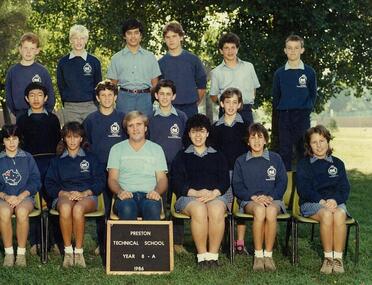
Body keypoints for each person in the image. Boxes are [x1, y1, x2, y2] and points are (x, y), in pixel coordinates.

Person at [171, 114, 229, 268]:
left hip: (215, 195)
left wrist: (213, 193)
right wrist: (196, 193)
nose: (198, 135)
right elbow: (176, 182)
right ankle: (202, 256)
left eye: (202, 131)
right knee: (199, 209)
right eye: (194, 131)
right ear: (189, 134)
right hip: (189, 197)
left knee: (216, 210)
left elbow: (225, 181)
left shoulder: (218, 156)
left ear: (208, 133)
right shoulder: (181, 156)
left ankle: (213, 256)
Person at [45, 122, 105, 268]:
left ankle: (78, 252)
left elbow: (100, 180)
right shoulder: (57, 161)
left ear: (81, 139)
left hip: (87, 196)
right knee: (65, 208)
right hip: (64, 196)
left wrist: (84, 193)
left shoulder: (91, 158)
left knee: (78, 209)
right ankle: (68, 252)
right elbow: (49, 184)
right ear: (64, 139)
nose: (72, 141)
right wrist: (64, 193)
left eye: (76, 137)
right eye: (69, 137)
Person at [233, 123, 287, 272]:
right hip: (250, 201)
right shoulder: (241, 161)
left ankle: (268, 255)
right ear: (247, 141)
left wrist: (271, 197)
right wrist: (253, 197)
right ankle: (258, 255)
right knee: (259, 211)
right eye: (253, 137)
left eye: (260, 137)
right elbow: (237, 185)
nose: (256, 141)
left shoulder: (275, 158)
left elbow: (282, 182)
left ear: (265, 140)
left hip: (273, 200)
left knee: (269, 211)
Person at [296, 125, 350, 274]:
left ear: (328, 142)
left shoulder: (338, 163)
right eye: (314, 142)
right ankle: (328, 258)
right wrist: (321, 201)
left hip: (335, 203)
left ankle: (338, 259)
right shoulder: (304, 165)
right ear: (309, 145)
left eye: (322, 141)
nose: (319, 145)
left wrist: (335, 200)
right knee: (326, 214)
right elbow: (303, 189)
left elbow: (345, 188)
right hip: (312, 203)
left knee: (339, 214)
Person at [17, 82, 61, 255]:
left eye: (40, 95)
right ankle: (34, 241)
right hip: (30, 165)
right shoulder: (22, 119)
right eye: (32, 95)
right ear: (27, 98)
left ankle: (55, 241)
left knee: (52, 202)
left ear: (46, 98)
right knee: (33, 202)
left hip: (49, 163)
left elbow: (57, 141)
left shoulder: (52, 118)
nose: (36, 99)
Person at [83, 79, 126, 253]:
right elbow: (86, 145)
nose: (107, 98)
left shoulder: (123, 118)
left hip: (120, 169)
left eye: (110, 95)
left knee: (119, 204)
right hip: (99, 168)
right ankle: (103, 243)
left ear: (115, 96)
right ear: (98, 98)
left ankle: (121, 240)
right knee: (103, 206)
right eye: (103, 95)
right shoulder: (91, 120)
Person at [148, 79, 187, 253]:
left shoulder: (181, 117)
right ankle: (159, 238)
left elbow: (187, 142)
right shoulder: (149, 118)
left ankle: (177, 242)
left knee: (176, 202)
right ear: (156, 96)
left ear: (174, 96)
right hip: (156, 169)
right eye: (161, 94)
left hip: (178, 167)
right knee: (159, 202)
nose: (164, 97)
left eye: (168, 94)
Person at [107, 111, 168, 220]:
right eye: (131, 126)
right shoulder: (116, 149)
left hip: (149, 196)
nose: (135, 129)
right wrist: (120, 192)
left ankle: (151, 238)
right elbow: (112, 179)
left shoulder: (156, 149)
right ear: (127, 130)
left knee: (152, 207)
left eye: (139, 124)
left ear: (145, 128)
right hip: (126, 197)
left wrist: (156, 192)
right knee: (127, 207)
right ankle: (125, 237)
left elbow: (162, 179)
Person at [210, 87, 248, 254]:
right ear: (222, 104)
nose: (231, 106)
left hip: (240, 174)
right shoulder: (215, 127)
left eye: (235, 102)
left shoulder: (246, 127)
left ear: (239, 104)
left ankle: (239, 242)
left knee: (239, 206)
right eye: (228, 102)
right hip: (222, 174)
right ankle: (220, 240)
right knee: (223, 205)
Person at [272, 34, 317, 171]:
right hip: (284, 116)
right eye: (289, 48)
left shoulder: (309, 72)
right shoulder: (279, 73)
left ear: (302, 50)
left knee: (303, 149)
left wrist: (305, 109)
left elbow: (313, 94)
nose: (293, 51)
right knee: (285, 150)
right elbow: (276, 97)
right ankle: (285, 185)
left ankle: (303, 184)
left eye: (296, 48)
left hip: (302, 116)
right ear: (285, 50)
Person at [0, 124, 41, 267]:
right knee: (4, 211)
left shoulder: (27, 157)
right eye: (7, 139)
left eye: (14, 138)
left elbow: (36, 180)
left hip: (25, 197)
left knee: (22, 211)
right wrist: (5, 196)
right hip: (3, 197)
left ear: (19, 140)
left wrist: (21, 196)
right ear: (3, 141)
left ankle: (21, 254)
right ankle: (9, 253)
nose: (11, 143)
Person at [107, 19, 161, 116]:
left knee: (145, 127)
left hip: (145, 98)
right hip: (124, 98)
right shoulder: (116, 58)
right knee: (123, 127)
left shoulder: (150, 57)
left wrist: (149, 98)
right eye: (129, 33)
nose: (133, 36)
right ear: (124, 36)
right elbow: (113, 86)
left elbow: (155, 84)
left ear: (141, 35)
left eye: (136, 33)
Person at [158, 21, 207, 118]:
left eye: (174, 36)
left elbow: (202, 86)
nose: (171, 40)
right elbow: (158, 88)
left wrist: (193, 103)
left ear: (181, 37)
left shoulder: (193, 60)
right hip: (169, 108)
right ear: (164, 39)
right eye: (168, 37)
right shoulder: (161, 63)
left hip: (190, 108)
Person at [210, 32, 260, 125]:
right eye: (226, 48)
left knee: (247, 138)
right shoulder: (216, 72)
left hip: (246, 111)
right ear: (221, 51)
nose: (230, 51)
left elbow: (254, 90)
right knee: (226, 139)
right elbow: (213, 96)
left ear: (237, 49)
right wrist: (227, 104)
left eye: (233, 47)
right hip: (226, 112)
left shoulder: (249, 67)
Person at [57, 24, 102, 123]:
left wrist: (95, 103)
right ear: (70, 40)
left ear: (86, 40)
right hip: (70, 107)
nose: (79, 41)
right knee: (72, 136)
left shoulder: (94, 61)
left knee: (90, 136)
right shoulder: (63, 62)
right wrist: (67, 100)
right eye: (76, 38)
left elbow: (98, 85)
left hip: (90, 106)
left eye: (82, 38)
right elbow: (61, 85)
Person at [5, 32, 55, 120]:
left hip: (40, 114)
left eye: (32, 48)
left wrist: (47, 111)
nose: (28, 52)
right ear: (20, 49)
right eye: (25, 48)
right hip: (20, 114)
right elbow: (8, 95)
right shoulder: (12, 71)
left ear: (37, 50)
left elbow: (50, 94)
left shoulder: (43, 71)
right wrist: (16, 113)